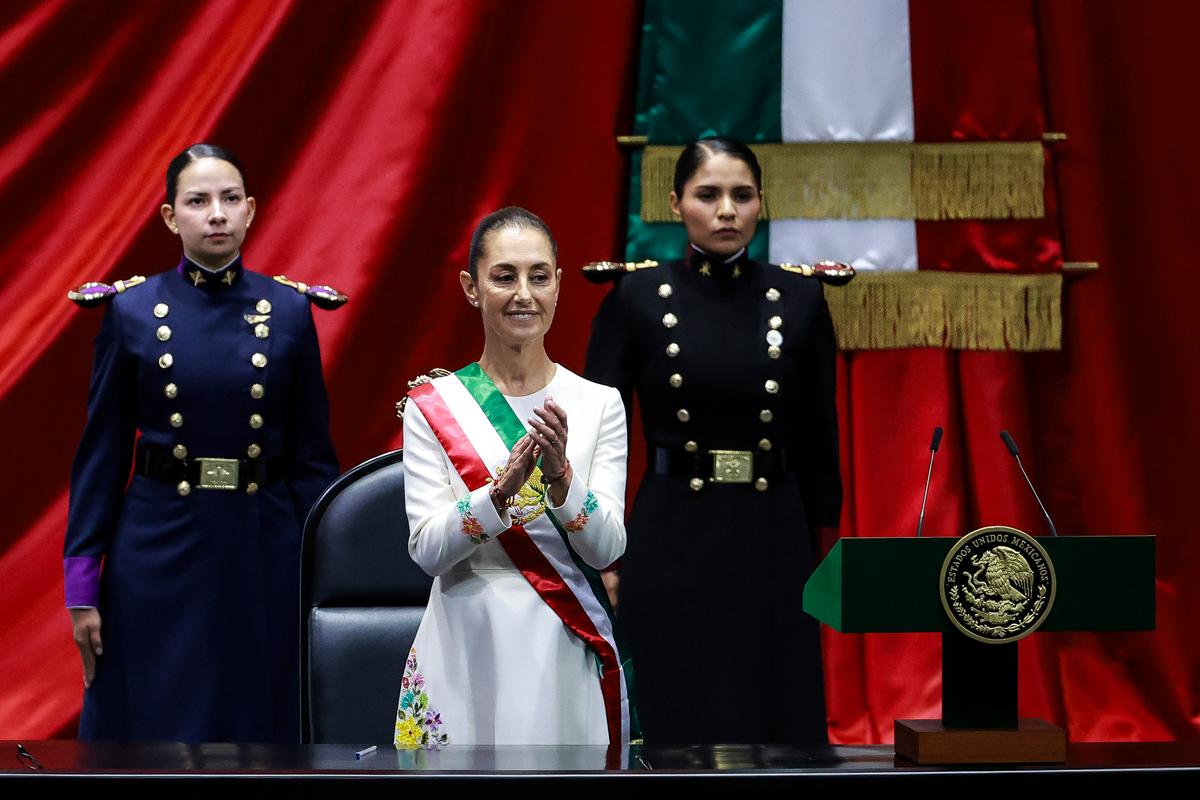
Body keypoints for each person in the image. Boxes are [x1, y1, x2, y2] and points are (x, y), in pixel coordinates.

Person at [64, 143, 344, 742]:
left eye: (229, 199)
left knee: (260, 724)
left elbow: (313, 462)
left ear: (250, 210)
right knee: (158, 717)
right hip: (159, 542)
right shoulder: (132, 311)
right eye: (197, 201)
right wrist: (82, 585)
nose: (216, 213)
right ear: (171, 217)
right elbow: (101, 457)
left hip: (263, 543)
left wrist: (330, 571)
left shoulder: (290, 310)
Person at [584, 136, 843, 744]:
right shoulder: (636, 298)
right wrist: (602, 555)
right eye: (708, 195)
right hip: (673, 527)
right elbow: (599, 438)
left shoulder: (801, 299)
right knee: (674, 710)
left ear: (761, 202)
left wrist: (823, 541)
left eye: (742, 195)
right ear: (676, 203)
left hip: (772, 526)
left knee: (774, 715)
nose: (727, 210)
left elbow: (819, 435)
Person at [395, 207, 635, 747]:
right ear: (472, 287)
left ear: (559, 285)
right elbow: (428, 552)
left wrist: (562, 479)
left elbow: (607, 549)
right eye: (504, 277)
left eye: (539, 276)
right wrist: (498, 495)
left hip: (566, 641)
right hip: (466, 644)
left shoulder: (599, 404)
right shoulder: (433, 406)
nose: (523, 294)